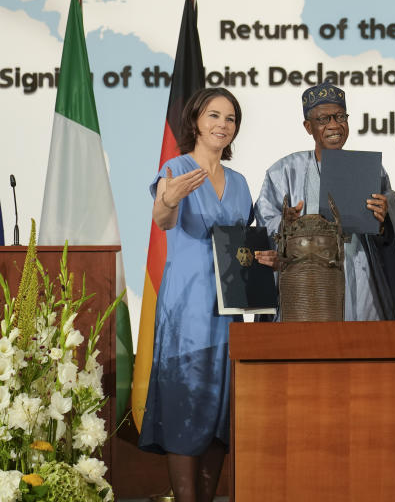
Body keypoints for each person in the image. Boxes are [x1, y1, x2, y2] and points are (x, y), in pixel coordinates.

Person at [138, 87, 256, 502]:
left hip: (230, 313)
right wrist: (168, 200)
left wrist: (266, 260)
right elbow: (164, 219)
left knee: (222, 412)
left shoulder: (241, 183)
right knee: (185, 403)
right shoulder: (176, 167)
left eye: (230, 118)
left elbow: (244, 247)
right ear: (196, 121)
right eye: (214, 115)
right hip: (186, 311)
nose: (222, 124)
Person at [255, 82, 395, 320]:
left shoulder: (369, 171)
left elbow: (388, 232)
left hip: (360, 281)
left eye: (340, 116)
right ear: (308, 127)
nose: (334, 125)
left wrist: (383, 218)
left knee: (361, 351)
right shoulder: (284, 172)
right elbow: (264, 227)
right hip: (303, 284)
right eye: (323, 119)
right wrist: (287, 224)